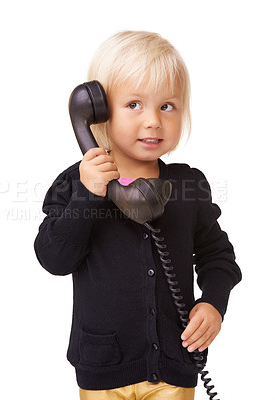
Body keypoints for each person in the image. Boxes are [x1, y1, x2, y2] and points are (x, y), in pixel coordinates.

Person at [34, 30, 242, 400]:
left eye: (167, 106)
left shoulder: (188, 185)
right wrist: (88, 194)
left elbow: (218, 256)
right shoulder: (74, 183)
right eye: (134, 105)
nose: (153, 121)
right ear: (95, 112)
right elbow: (54, 258)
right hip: (103, 365)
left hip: (174, 365)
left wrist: (213, 301)